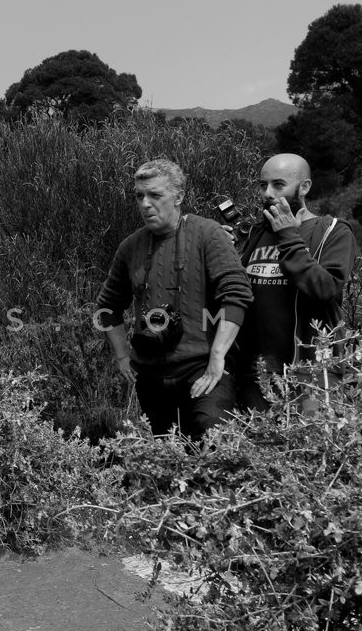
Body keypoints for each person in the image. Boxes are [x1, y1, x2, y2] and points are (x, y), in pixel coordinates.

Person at [95, 159, 252, 441]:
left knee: (214, 439)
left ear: (178, 197)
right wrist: (121, 356)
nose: (145, 204)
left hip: (203, 369)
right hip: (151, 375)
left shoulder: (207, 233)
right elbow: (107, 307)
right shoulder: (130, 247)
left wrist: (218, 356)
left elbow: (237, 294)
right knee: (166, 454)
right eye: (139, 196)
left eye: (155, 195)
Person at [235, 153, 356, 411]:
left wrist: (289, 237)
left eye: (278, 185)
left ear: (304, 187)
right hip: (256, 374)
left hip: (312, 373)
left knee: (311, 448)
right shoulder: (256, 233)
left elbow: (325, 288)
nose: (267, 193)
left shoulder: (332, 231)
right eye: (262, 185)